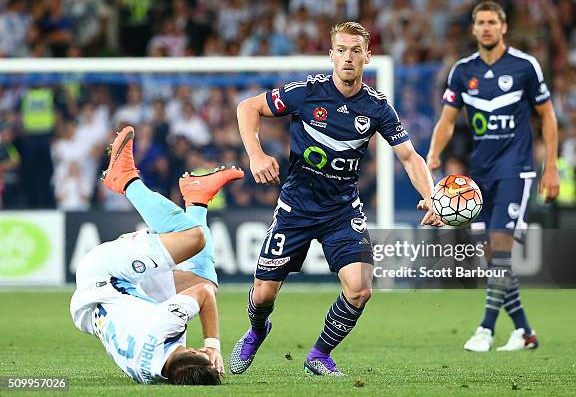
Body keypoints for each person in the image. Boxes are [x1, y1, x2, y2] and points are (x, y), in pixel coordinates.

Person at [231, 21, 442, 376]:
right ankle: (256, 330)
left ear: (367, 57)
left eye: (356, 51)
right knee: (264, 294)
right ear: (331, 55)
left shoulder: (376, 107)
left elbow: (409, 156)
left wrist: (431, 197)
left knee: (360, 288)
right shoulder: (306, 92)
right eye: (341, 50)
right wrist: (256, 154)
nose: (348, 57)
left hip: (341, 210)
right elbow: (247, 108)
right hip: (295, 208)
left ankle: (319, 355)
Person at [426, 1, 560, 352]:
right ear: (473, 29)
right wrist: (434, 154)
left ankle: (485, 329)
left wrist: (552, 168)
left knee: (499, 251)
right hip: (478, 178)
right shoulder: (462, 71)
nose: (486, 28)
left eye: (492, 22)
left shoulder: (524, 67)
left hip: (516, 171)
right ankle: (525, 332)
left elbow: (547, 117)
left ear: (503, 27)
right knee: (491, 256)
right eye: (480, 22)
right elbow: (447, 120)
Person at [70, 126, 244, 384]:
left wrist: (213, 346)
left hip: (104, 275)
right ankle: (197, 197)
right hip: (101, 307)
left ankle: (125, 179)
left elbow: (201, 299)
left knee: (192, 237)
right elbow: (205, 290)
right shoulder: (151, 374)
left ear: (196, 352)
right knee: (204, 281)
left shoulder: (164, 324)